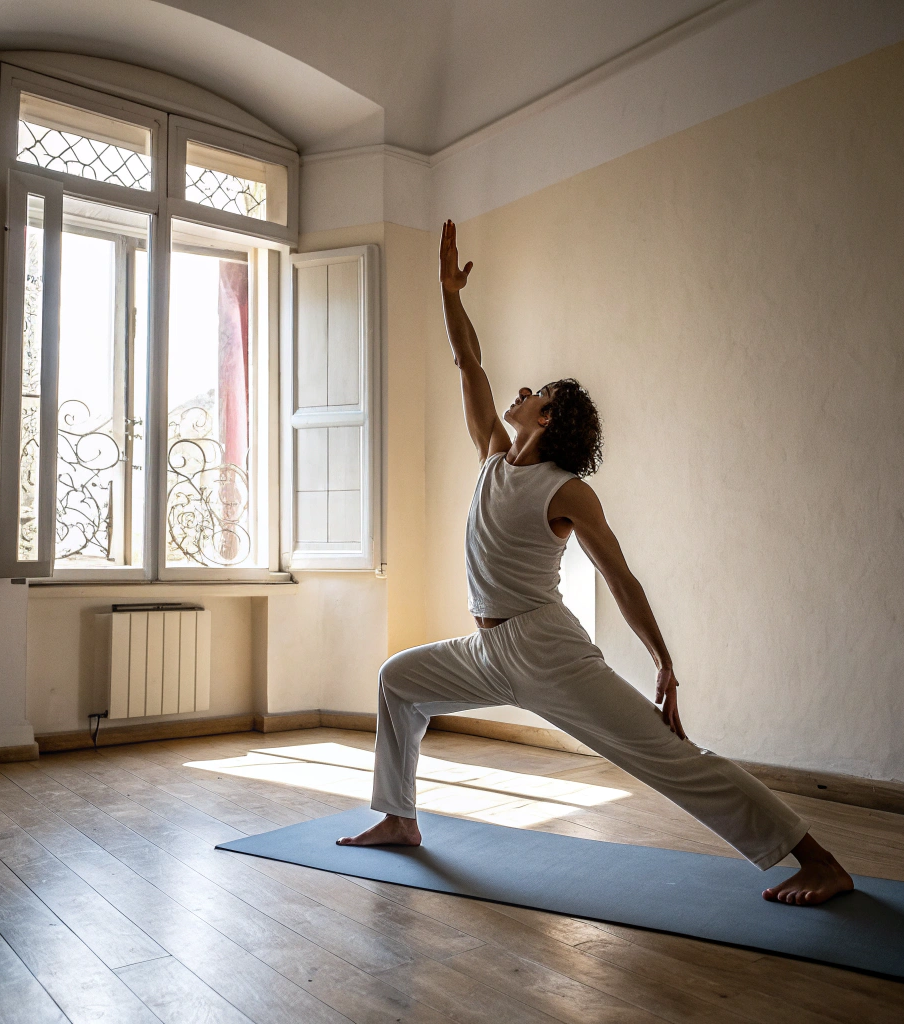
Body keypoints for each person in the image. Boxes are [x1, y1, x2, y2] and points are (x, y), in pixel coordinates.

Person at [337, 220, 854, 906]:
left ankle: (817, 860)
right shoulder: (493, 451)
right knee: (398, 682)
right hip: (486, 647)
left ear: (549, 419)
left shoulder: (566, 490)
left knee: (670, 760)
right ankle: (399, 818)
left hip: (546, 649)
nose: (521, 392)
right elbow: (469, 363)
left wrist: (663, 662)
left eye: (538, 394)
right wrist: (448, 292)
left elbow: (621, 577)